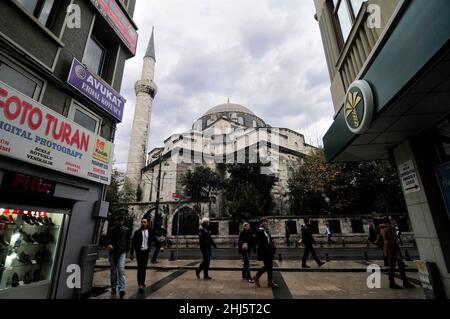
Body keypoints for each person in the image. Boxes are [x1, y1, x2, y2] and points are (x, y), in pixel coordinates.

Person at [379, 216, 414, 289]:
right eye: (390, 220)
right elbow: (393, 239)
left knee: (395, 265)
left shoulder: (381, 229)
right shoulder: (389, 228)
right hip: (393, 248)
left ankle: (398, 282)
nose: (391, 221)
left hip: (388, 248)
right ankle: (398, 282)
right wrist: (396, 247)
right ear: (388, 221)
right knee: (395, 266)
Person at [129, 218, 158, 295]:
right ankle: (140, 285)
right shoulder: (137, 232)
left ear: (148, 223)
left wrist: (161, 246)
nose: (143, 223)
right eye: (142, 222)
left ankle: (142, 281)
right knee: (140, 268)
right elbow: (133, 243)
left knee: (144, 268)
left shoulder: (150, 232)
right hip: (139, 252)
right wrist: (131, 253)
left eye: (145, 222)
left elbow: (155, 239)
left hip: (146, 252)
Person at [105, 215, 130, 299]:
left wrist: (127, 250)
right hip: (112, 252)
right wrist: (108, 245)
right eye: (119, 220)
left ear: (123, 221)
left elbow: (127, 241)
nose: (120, 222)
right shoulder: (111, 230)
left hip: (122, 252)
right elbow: (107, 239)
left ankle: (121, 288)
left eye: (121, 220)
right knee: (113, 271)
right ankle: (113, 287)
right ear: (116, 221)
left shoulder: (126, 230)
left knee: (121, 269)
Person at [253, 218, 278, 288]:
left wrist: (272, 243)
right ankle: (257, 276)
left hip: (269, 251)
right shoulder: (260, 230)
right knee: (268, 266)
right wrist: (260, 228)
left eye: (266, 222)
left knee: (270, 266)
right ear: (261, 223)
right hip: (264, 251)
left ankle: (270, 281)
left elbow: (268, 239)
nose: (265, 223)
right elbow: (256, 235)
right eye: (264, 222)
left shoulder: (266, 231)